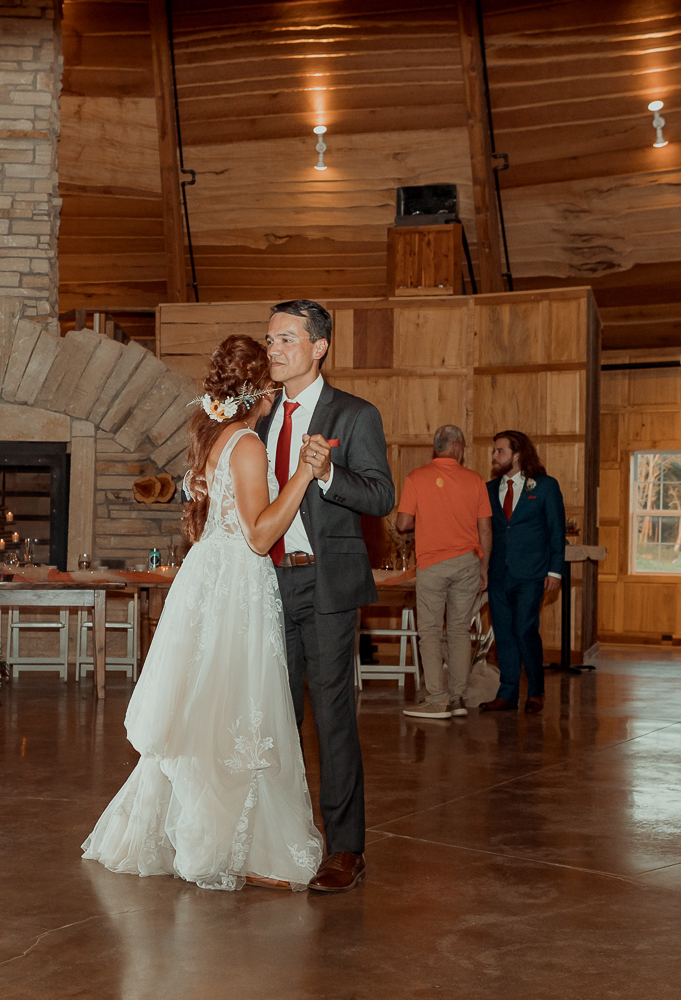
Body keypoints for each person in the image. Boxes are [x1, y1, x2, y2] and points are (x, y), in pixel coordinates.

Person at [82, 335, 323, 891]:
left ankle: (211, 833)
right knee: (240, 707)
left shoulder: (216, 438)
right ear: (261, 391)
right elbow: (261, 536)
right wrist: (305, 475)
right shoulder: (246, 445)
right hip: (236, 581)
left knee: (209, 710)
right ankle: (234, 844)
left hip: (207, 578)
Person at [257, 299, 394, 893]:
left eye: (287, 339)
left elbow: (382, 496)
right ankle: (280, 836)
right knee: (275, 716)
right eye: (270, 340)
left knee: (332, 716)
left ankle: (344, 850)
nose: (275, 350)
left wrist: (330, 476)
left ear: (320, 348)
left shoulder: (354, 415)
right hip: (266, 582)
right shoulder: (260, 420)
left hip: (326, 581)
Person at [395, 424, 491, 720]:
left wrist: (427, 515)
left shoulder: (416, 478)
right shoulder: (475, 480)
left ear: (435, 448)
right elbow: (485, 528)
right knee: (460, 630)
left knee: (430, 632)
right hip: (466, 563)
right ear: (458, 448)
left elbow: (402, 524)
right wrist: (484, 567)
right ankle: (458, 697)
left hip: (432, 564)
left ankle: (437, 699)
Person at [478, 430, 566, 715]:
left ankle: (536, 691)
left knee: (525, 629)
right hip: (499, 574)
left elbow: (556, 531)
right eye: (494, 451)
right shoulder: (490, 489)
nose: (494, 456)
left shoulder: (544, 486)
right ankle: (507, 693)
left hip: (532, 574)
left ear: (518, 454)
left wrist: (555, 571)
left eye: (500, 451)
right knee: (503, 632)